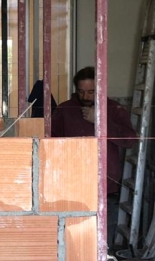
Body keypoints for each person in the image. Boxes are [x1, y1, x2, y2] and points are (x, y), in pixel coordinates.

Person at [52, 67, 136, 249]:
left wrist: (100, 121)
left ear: (100, 89)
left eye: (91, 92)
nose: (85, 97)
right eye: (81, 91)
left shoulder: (113, 109)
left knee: (103, 243)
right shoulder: (65, 110)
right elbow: (50, 146)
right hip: (71, 188)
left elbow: (129, 140)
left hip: (106, 187)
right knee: (73, 242)